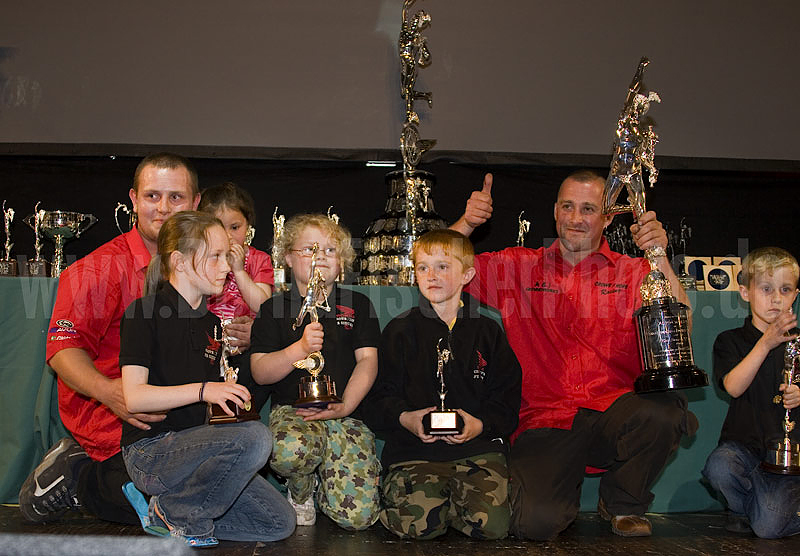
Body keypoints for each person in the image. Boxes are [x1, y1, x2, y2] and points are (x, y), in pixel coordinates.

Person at [451, 169, 697, 539]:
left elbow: (681, 332)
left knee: (662, 412)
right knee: (533, 525)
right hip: (546, 419)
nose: (576, 218)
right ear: (555, 210)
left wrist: (658, 254)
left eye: (588, 209)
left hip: (615, 411)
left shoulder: (634, 272)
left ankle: (622, 505)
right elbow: (438, 264)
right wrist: (467, 224)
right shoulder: (516, 267)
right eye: (568, 206)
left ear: (608, 217)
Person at [19, 153, 200, 524]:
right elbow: (62, 350)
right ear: (133, 200)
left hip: (179, 411)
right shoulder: (97, 270)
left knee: (223, 482)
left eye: (176, 198)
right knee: (176, 503)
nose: (164, 208)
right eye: (152, 196)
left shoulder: (204, 264)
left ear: (197, 203)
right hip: (115, 418)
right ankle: (77, 475)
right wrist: (110, 392)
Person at [119, 211, 294, 545]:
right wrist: (205, 390)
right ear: (180, 262)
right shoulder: (143, 312)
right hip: (151, 453)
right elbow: (135, 398)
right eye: (215, 257)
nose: (227, 267)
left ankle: (172, 514)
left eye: (226, 258)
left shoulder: (213, 324)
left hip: (197, 452)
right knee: (256, 439)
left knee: (278, 523)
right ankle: (179, 511)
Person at [364, 229, 522, 540]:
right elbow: (378, 399)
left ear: (468, 274)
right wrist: (406, 419)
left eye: (443, 266)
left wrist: (479, 425)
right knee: (417, 528)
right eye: (423, 267)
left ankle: (449, 502)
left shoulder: (487, 331)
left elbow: (506, 401)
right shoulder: (399, 330)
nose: (431, 275)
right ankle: (434, 502)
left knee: (493, 528)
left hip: (477, 451)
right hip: (415, 452)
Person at [249, 213, 381, 530]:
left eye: (330, 250)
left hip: (344, 413)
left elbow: (368, 361)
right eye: (309, 249)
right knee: (290, 451)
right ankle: (301, 490)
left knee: (358, 519)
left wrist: (346, 404)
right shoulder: (274, 308)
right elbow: (260, 372)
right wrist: (298, 350)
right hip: (294, 412)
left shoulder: (357, 305)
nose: (320, 256)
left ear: (342, 263)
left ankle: (327, 488)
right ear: (289, 258)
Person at [702, 247, 800, 538]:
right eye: (766, 288)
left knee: (768, 529)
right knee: (719, 467)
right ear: (745, 293)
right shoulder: (729, 340)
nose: (776, 298)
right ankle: (746, 509)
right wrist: (766, 343)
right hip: (744, 451)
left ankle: (763, 513)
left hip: (788, 460)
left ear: (795, 295)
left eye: (785, 289)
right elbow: (733, 386)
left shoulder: (797, 345)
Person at [198, 181, 274, 412]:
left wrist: (239, 271)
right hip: (206, 349)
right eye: (219, 227)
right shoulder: (198, 260)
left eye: (235, 227)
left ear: (248, 225)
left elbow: (264, 306)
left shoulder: (259, 259)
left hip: (244, 350)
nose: (228, 236)